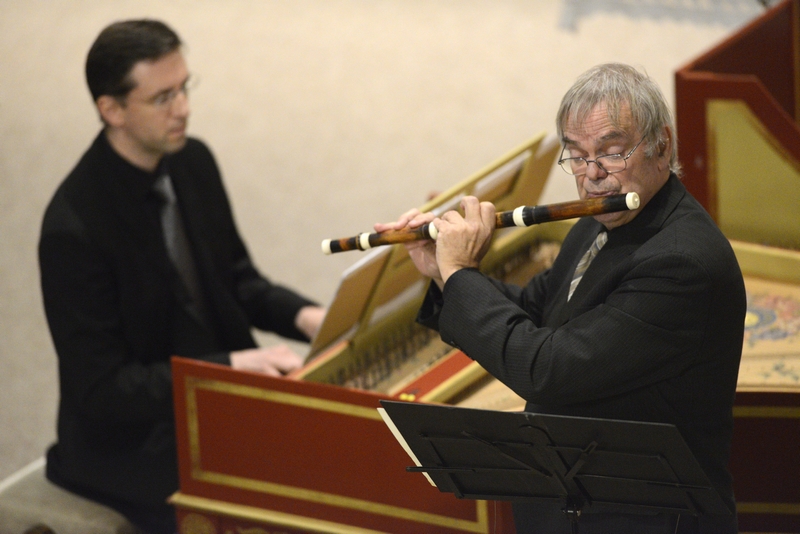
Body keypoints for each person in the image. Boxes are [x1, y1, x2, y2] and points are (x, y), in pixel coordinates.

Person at [376, 63, 745, 533]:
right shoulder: (596, 224)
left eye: (612, 153)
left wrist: (462, 271)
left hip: (650, 520)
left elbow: (548, 370)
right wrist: (442, 274)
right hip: (576, 509)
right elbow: (535, 309)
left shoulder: (681, 262)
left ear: (661, 145)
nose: (592, 175)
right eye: (577, 155)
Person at [38, 19, 326, 534]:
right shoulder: (73, 228)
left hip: (213, 401)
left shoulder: (192, 161)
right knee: (287, 494)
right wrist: (228, 366)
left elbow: (237, 281)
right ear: (112, 110)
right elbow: (102, 389)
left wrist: (309, 316)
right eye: (163, 97)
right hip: (134, 443)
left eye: (185, 88)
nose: (184, 109)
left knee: (331, 450)